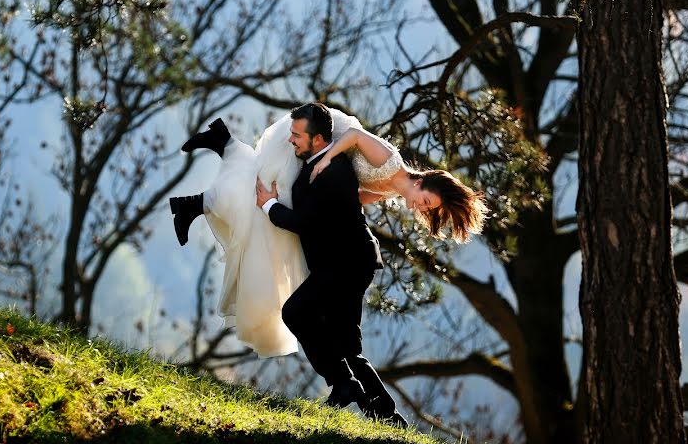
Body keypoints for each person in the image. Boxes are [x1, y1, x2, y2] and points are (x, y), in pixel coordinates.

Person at [169, 104, 486, 361]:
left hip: (326, 162)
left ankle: (218, 154)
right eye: (427, 201)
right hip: (323, 135)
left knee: (268, 199)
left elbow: (356, 200)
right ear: (422, 182)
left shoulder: (393, 189)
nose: (421, 208)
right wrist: (327, 159)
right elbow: (356, 136)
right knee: (264, 188)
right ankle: (206, 181)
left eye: (428, 210)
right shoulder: (391, 162)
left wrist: (335, 212)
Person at [254, 103, 405, 425]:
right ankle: (385, 416)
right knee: (347, 343)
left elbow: (302, 222)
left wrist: (268, 204)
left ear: (319, 138)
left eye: (297, 135)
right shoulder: (317, 165)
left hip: (346, 262)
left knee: (296, 312)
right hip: (345, 261)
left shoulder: (331, 172)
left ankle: (343, 383)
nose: (291, 140)